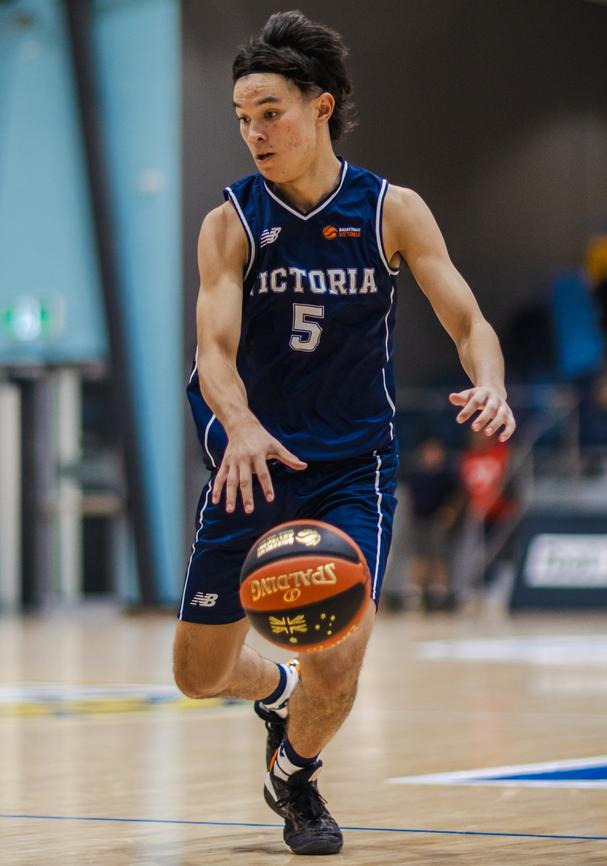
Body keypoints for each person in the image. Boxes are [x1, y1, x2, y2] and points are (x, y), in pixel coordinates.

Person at [173, 10, 516, 856]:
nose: (254, 132)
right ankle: (275, 685)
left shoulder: (391, 211)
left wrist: (492, 381)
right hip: (249, 468)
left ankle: (295, 776)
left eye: (271, 113)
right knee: (197, 675)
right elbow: (212, 355)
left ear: (321, 107)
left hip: (348, 470)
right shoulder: (231, 225)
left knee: (342, 650)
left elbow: (467, 317)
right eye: (242, 118)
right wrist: (242, 426)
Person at [405, 438, 461, 611]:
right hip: (419, 520)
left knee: (438, 556)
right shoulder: (416, 474)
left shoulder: (446, 475)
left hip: (438, 520)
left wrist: (449, 512)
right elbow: (410, 497)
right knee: (419, 556)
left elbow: (457, 496)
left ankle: (438, 594)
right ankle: (415, 594)